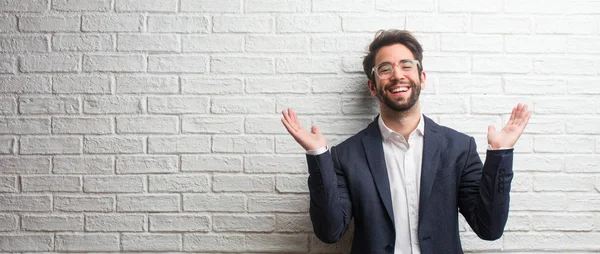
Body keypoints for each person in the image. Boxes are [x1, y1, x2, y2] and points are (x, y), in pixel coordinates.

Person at [280, 29, 531, 254]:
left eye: (406, 65)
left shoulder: (459, 148)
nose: (397, 75)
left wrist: (500, 153)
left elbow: (489, 228)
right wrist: (318, 156)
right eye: (385, 69)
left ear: (422, 77)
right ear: (372, 86)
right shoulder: (346, 155)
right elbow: (330, 232)